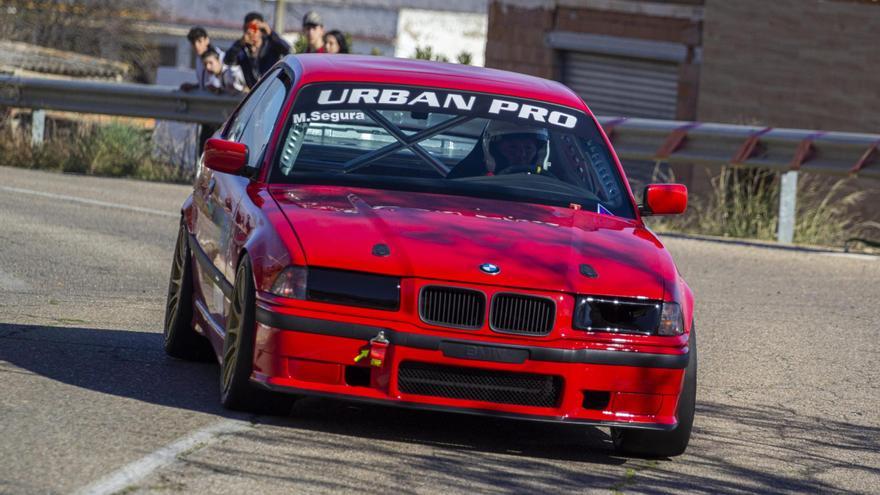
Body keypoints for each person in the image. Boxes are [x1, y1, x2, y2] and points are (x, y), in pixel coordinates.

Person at [448, 121, 550, 178]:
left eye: (528, 148)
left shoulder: (551, 186)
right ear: (493, 150)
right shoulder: (464, 180)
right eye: (512, 148)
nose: (522, 155)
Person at [224, 12, 291, 88]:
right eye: (249, 28)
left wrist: (270, 33)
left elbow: (287, 49)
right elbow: (227, 60)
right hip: (255, 92)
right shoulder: (242, 49)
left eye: (256, 28)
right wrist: (240, 43)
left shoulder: (270, 44)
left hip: (273, 87)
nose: (253, 32)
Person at [180, 27, 224, 91]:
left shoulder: (220, 57)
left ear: (207, 40)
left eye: (199, 41)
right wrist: (194, 86)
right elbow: (206, 85)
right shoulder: (199, 59)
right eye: (193, 43)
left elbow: (227, 84)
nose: (196, 46)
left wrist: (219, 89)